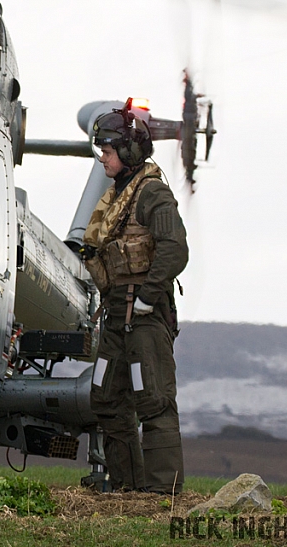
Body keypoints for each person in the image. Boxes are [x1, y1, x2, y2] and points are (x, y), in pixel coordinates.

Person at [81, 103, 188, 494]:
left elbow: (175, 249)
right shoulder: (116, 197)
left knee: (153, 400)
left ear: (128, 153)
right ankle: (128, 487)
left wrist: (147, 295)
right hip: (115, 316)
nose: (103, 158)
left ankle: (161, 494)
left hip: (142, 317)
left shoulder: (152, 194)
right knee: (106, 397)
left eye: (107, 151)